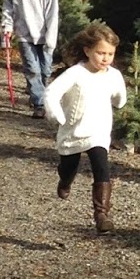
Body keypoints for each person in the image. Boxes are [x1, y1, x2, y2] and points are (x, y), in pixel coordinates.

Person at [44, 22, 126, 233]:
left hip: (98, 131)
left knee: (102, 167)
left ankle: (101, 214)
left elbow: (120, 97)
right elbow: (52, 93)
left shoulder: (113, 75)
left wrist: (120, 100)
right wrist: (56, 114)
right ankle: (65, 180)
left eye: (110, 54)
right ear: (87, 51)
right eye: (101, 53)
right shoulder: (75, 74)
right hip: (73, 132)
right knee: (69, 167)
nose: (105, 58)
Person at [0, 0, 59, 116]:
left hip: (44, 35)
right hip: (24, 34)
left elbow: (52, 11)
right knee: (32, 69)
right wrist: (7, 27)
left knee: (45, 70)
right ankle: (39, 104)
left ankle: (40, 94)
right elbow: (8, 7)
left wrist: (51, 37)